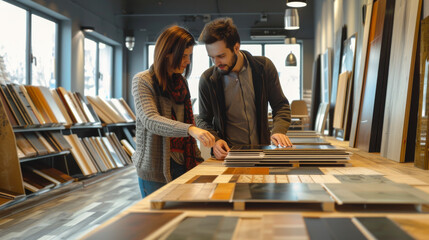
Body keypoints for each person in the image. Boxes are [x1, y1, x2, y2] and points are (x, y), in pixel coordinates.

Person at [132, 25, 215, 198]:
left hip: (184, 164)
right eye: (184, 56)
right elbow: (151, 120)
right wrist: (190, 130)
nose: (188, 61)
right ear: (167, 53)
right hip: (154, 169)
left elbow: (188, 120)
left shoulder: (181, 83)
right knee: (158, 221)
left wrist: (198, 159)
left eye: (189, 56)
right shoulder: (142, 80)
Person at [196, 17, 292, 160]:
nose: (216, 63)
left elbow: (281, 106)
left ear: (236, 47)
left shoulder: (264, 68)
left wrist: (278, 131)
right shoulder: (207, 80)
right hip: (227, 157)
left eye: (221, 56)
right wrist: (215, 141)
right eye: (212, 57)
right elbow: (203, 120)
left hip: (262, 153)